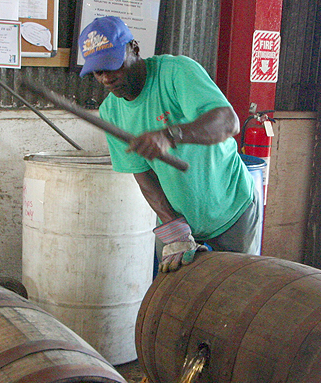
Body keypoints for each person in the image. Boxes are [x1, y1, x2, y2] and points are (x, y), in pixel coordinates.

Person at [78, 16, 262, 273]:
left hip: (232, 212)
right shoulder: (112, 112)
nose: (107, 78)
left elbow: (228, 122)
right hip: (182, 225)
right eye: (99, 71)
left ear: (134, 48)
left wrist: (170, 135)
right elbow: (143, 177)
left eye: (113, 65)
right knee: (178, 301)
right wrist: (175, 229)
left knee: (237, 298)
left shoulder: (176, 73)